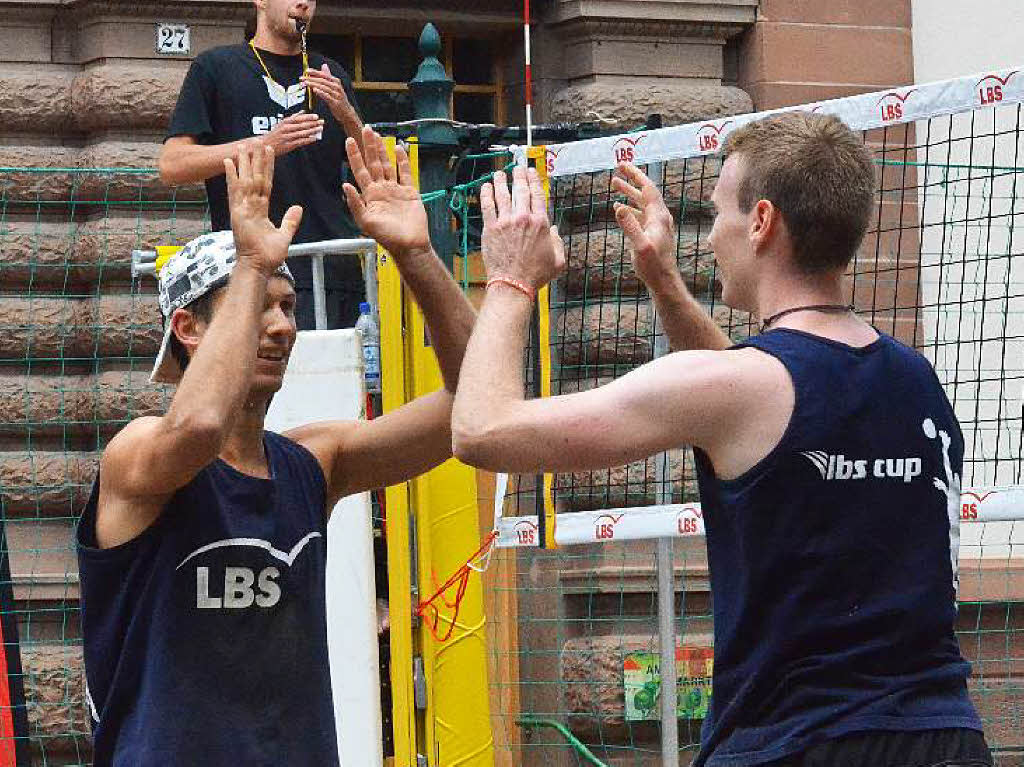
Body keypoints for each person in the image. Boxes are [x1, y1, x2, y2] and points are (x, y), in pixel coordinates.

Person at [451, 112, 993, 767]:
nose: (709, 240)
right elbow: (765, 402)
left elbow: (479, 430)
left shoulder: (738, 388)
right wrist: (661, 278)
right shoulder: (916, 381)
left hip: (794, 744)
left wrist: (510, 279)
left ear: (761, 221)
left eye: (715, 216)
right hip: (945, 741)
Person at [77, 128, 475, 765]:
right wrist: (254, 262)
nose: (282, 326)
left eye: (288, 306)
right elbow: (200, 427)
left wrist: (416, 254)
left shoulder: (311, 463)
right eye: (258, 306)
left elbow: (473, 406)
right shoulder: (139, 455)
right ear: (186, 328)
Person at [160, 0, 366, 330]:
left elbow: (373, 174)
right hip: (250, 270)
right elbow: (172, 165)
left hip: (331, 272)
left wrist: (348, 116)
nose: (303, 4)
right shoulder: (215, 67)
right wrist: (264, 145)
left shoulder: (331, 74)